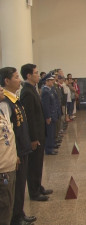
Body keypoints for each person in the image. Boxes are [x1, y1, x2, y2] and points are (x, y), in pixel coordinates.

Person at [0, 67, 36, 225]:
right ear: (6, 81)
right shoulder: (6, 103)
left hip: (21, 147)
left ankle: (19, 213)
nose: (19, 80)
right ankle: (16, 217)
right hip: (14, 153)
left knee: (19, 186)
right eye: (16, 77)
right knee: (14, 189)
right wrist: (15, 154)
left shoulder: (14, 99)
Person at [20, 64, 52, 201]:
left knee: (38, 162)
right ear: (28, 75)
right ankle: (34, 192)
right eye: (36, 73)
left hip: (40, 132)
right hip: (35, 135)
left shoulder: (32, 89)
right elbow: (30, 117)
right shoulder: (26, 92)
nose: (39, 75)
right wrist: (33, 138)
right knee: (33, 164)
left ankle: (38, 186)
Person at [0, 86, 18, 225]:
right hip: (2, 171)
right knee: (4, 207)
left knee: (8, 205)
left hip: (9, 166)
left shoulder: (2, 111)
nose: (1, 89)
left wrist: (14, 156)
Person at [41, 73, 59, 155]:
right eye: (51, 81)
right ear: (47, 81)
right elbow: (46, 106)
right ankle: (49, 149)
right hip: (50, 115)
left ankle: (51, 146)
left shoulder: (49, 90)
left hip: (53, 114)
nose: (53, 82)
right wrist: (48, 117)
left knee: (52, 132)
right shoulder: (45, 91)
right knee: (49, 132)